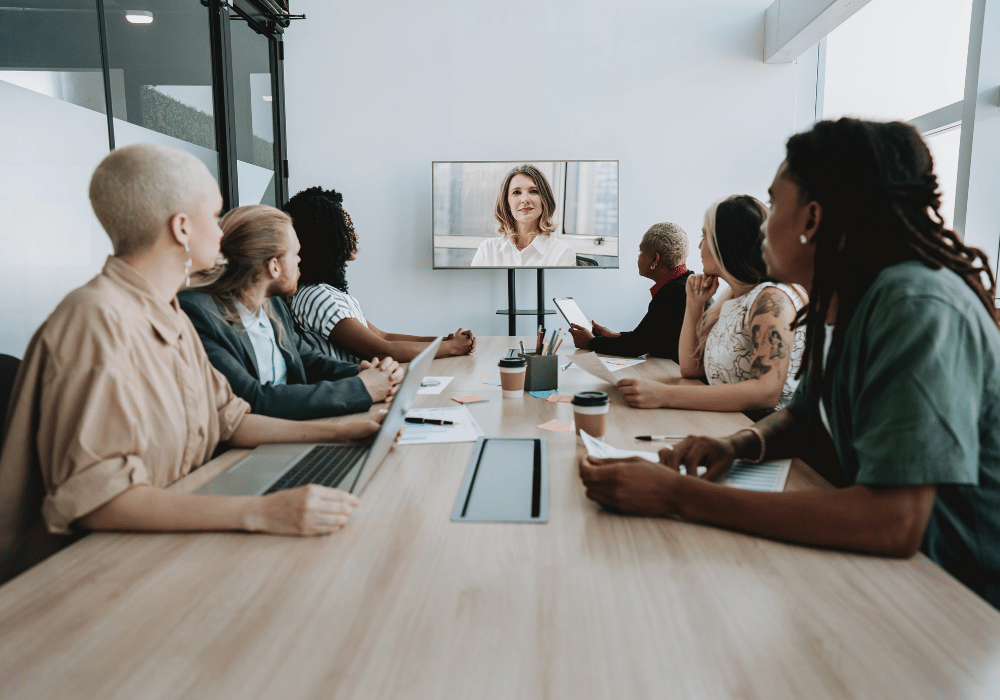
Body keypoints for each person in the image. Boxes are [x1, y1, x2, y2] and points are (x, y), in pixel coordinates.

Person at [579, 118, 1000, 610]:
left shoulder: (914, 304)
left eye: (774, 203)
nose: (764, 222)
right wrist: (736, 445)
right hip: (887, 579)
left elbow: (894, 521)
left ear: (813, 219)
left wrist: (679, 496)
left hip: (956, 597)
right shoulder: (849, 300)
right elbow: (802, 415)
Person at [0, 144, 383, 581]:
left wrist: (343, 432)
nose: (222, 234)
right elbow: (102, 500)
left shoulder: (169, 312)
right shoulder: (97, 320)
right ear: (181, 227)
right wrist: (261, 511)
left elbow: (231, 420)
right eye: (214, 216)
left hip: (161, 542)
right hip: (93, 570)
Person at [179, 204, 402, 420]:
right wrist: (361, 388)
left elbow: (307, 360)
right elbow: (252, 399)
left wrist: (362, 372)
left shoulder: (273, 304)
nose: (300, 261)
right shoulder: (199, 314)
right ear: (273, 266)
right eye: (295, 253)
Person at [616, 195, 806, 413]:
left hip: (762, 434)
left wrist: (663, 394)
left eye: (704, 237)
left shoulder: (771, 299)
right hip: (728, 424)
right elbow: (691, 368)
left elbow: (766, 392)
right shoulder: (734, 298)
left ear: (726, 244)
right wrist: (694, 303)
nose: (699, 245)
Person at [284, 187, 475, 363]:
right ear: (323, 237)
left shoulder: (327, 293)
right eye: (346, 229)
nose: (355, 236)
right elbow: (384, 350)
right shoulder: (318, 297)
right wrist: (450, 347)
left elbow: (385, 337)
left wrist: (446, 341)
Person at [567, 222, 692, 361]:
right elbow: (648, 337)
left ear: (654, 259)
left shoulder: (674, 293)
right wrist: (615, 336)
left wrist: (590, 342)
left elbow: (636, 347)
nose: (638, 257)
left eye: (641, 252)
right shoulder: (683, 284)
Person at [470, 164, 576, 267]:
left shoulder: (563, 253)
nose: (525, 199)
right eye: (516, 192)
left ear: (544, 200)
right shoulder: (487, 250)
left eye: (533, 191)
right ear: (507, 203)